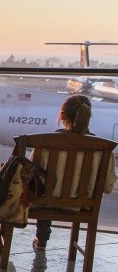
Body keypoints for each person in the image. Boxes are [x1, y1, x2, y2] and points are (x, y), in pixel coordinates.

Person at [33, 94, 117, 251]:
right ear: (88, 116)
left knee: (44, 194)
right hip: (82, 205)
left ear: (62, 116)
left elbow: (31, 179)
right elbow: (107, 187)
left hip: (46, 202)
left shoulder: (45, 144)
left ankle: (42, 239)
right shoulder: (103, 149)